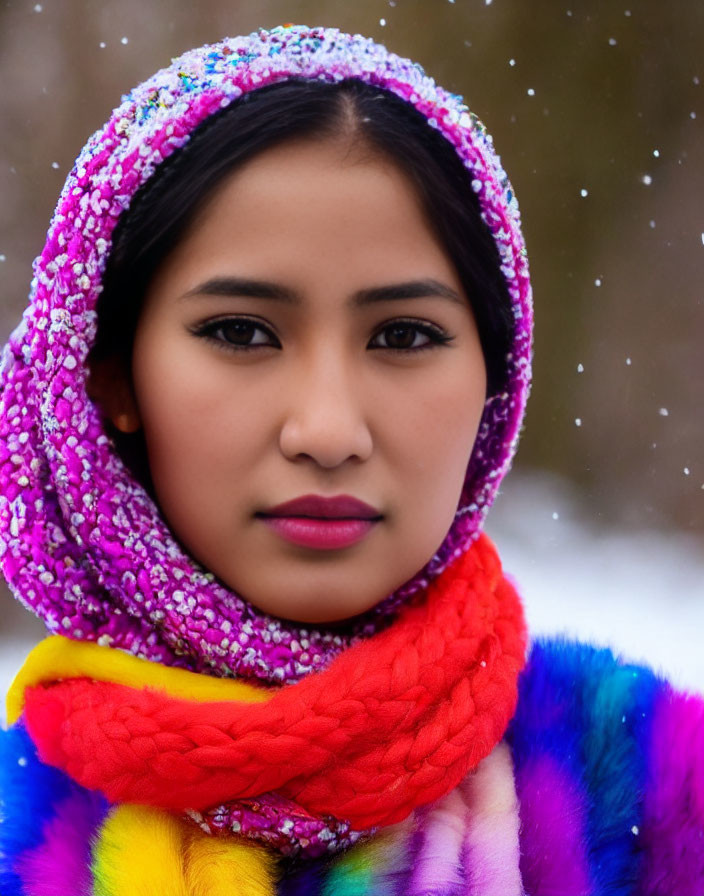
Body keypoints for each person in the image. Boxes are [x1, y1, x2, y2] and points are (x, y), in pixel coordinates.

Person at [0, 24, 701, 896]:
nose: (328, 432)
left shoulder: (650, 792)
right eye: (241, 332)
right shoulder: (15, 827)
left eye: (404, 335)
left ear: (496, 377)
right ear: (112, 375)